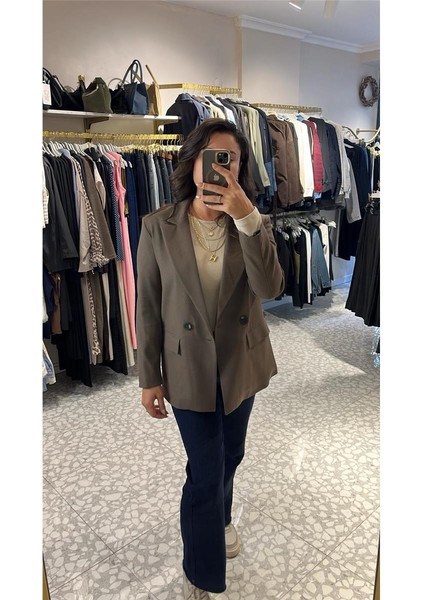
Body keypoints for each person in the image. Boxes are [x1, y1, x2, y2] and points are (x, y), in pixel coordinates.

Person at [136, 118, 285, 599]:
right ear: (194, 162)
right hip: (187, 367)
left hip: (240, 362)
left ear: (241, 168)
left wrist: (248, 220)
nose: (221, 167)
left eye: (231, 159)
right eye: (212, 156)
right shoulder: (157, 226)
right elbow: (148, 307)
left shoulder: (252, 223)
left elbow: (271, 288)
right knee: (205, 469)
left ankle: (221, 518)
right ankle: (202, 571)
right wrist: (149, 377)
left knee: (231, 454)